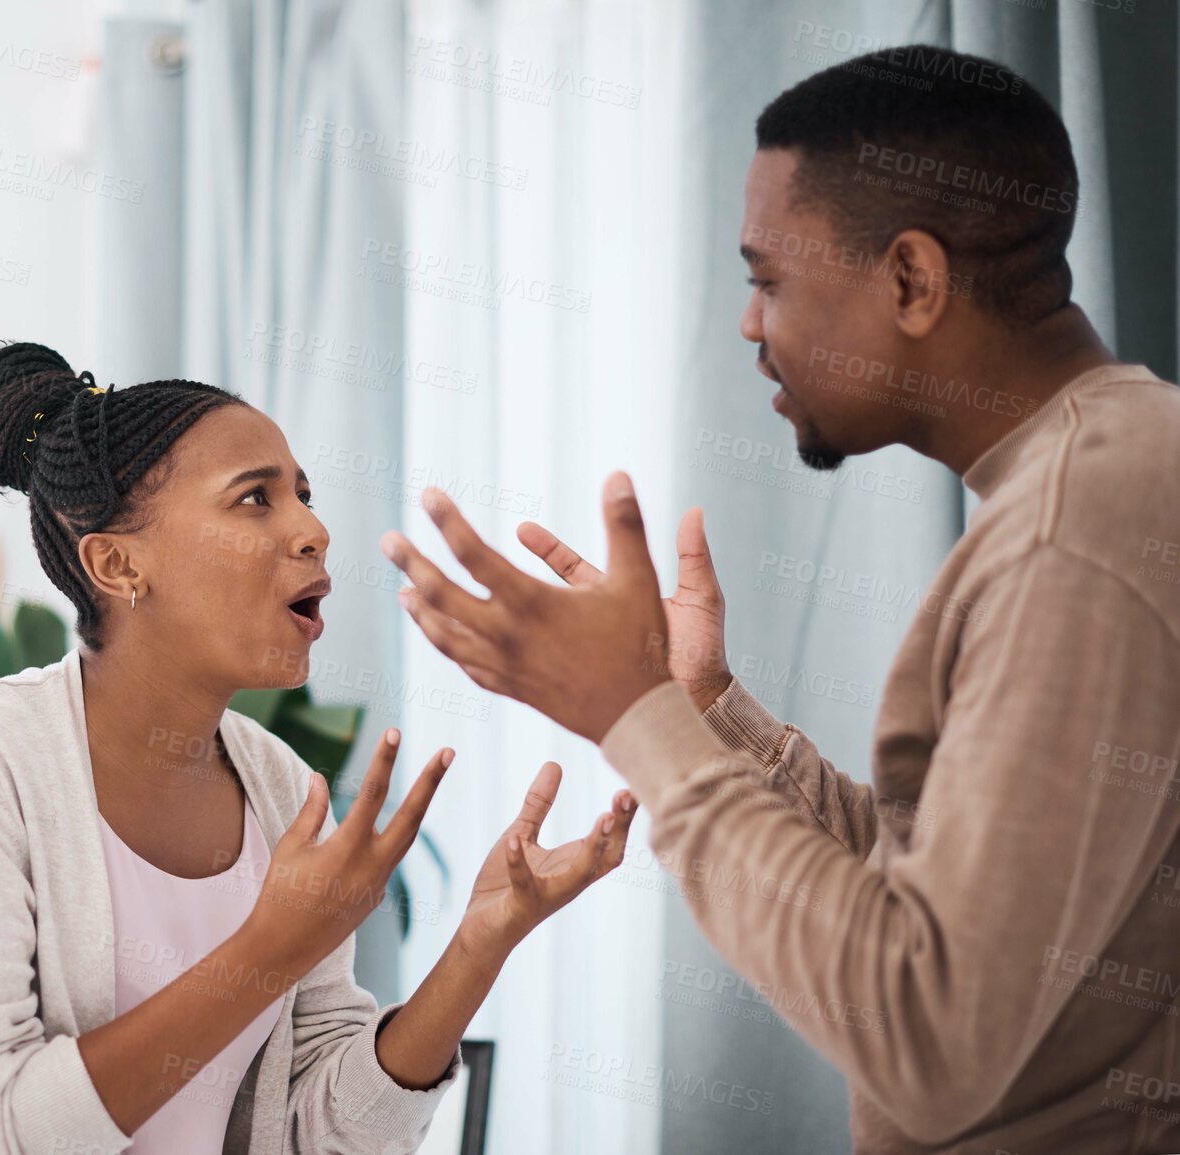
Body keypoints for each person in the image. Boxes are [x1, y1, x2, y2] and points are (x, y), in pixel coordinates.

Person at [381, 46, 1180, 1155]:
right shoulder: (1113, 469)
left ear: (911, 279)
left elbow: (928, 1034)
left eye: (769, 280)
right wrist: (703, 711)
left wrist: (633, 719)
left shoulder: (1071, 536)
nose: (753, 326)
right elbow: (948, 908)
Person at [0, 341, 638, 1155]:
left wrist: (478, 944)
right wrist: (268, 947)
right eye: (254, 498)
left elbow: (324, 1131)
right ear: (118, 565)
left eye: (303, 494)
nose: (313, 529)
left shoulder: (276, 784)